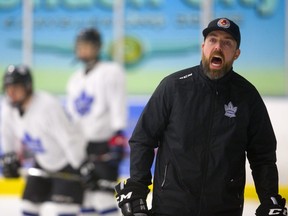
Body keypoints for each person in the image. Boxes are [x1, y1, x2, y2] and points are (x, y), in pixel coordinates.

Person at [114, 17, 288, 216]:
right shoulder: (174, 87)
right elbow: (143, 139)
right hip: (171, 207)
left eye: (227, 43)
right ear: (203, 46)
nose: (218, 47)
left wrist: (269, 198)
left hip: (224, 208)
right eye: (213, 40)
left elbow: (263, 156)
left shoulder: (247, 96)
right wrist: (138, 185)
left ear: (236, 53)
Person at [0, 64, 100, 216]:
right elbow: (6, 132)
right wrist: (9, 155)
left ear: (27, 87)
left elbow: (69, 139)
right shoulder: (8, 107)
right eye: (8, 87)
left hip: (68, 163)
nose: (11, 92)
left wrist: (81, 164)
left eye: (16, 87)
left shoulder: (47, 107)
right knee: (28, 207)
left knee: (65, 210)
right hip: (43, 162)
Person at [66, 27, 127, 216]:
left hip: (104, 146)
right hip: (81, 147)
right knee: (84, 198)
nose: (83, 49)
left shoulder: (111, 71)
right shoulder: (74, 79)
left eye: (88, 45)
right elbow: (72, 115)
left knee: (103, 198)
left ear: (98, 47)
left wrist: (118, 137)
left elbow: (118, 104)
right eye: (80, 46)